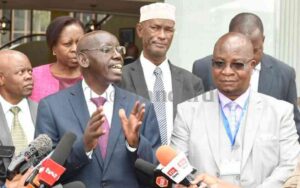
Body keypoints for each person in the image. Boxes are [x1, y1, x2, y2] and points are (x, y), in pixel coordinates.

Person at [170, 32, 300, 188]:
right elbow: (178, 167)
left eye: (237, 64)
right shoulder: (187, 111)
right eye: (219, 63)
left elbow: (289, 166)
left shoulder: (280, 112)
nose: (227, 71)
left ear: (252, 66)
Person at [34, 30, 161, 187]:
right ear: (83, 59)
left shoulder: (140, 107)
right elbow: (44, 173)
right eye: (107, 50)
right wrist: (84, 146)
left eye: (119, 50)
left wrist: (134, 144)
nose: (117, 56)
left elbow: (156, 173)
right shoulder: (52, 107)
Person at [192, 12, 300, 139]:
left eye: (254, 50)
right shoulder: (203, 68)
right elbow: (196, 117)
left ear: (263, 40)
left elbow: (293, 126)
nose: (248, 57)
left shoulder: (284, 74)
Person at [119, 2, 204, 145]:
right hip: (134, 163)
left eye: (168, 30)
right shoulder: (121, 78)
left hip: (180, 164)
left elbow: (199, 133)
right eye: (155, 28)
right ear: (140, 30)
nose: (162, 36)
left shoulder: (192, 83)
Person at [30, 16, 85, 102]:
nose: (75, 49)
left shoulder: (95, 77)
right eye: (67, 44)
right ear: (53, 48)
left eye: (79, 42)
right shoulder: (34, 76)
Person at [0, 50, 37, 154]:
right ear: (1, 78)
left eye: (30, 71)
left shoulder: (43, 111)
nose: (29, 76)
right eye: (21, 72)